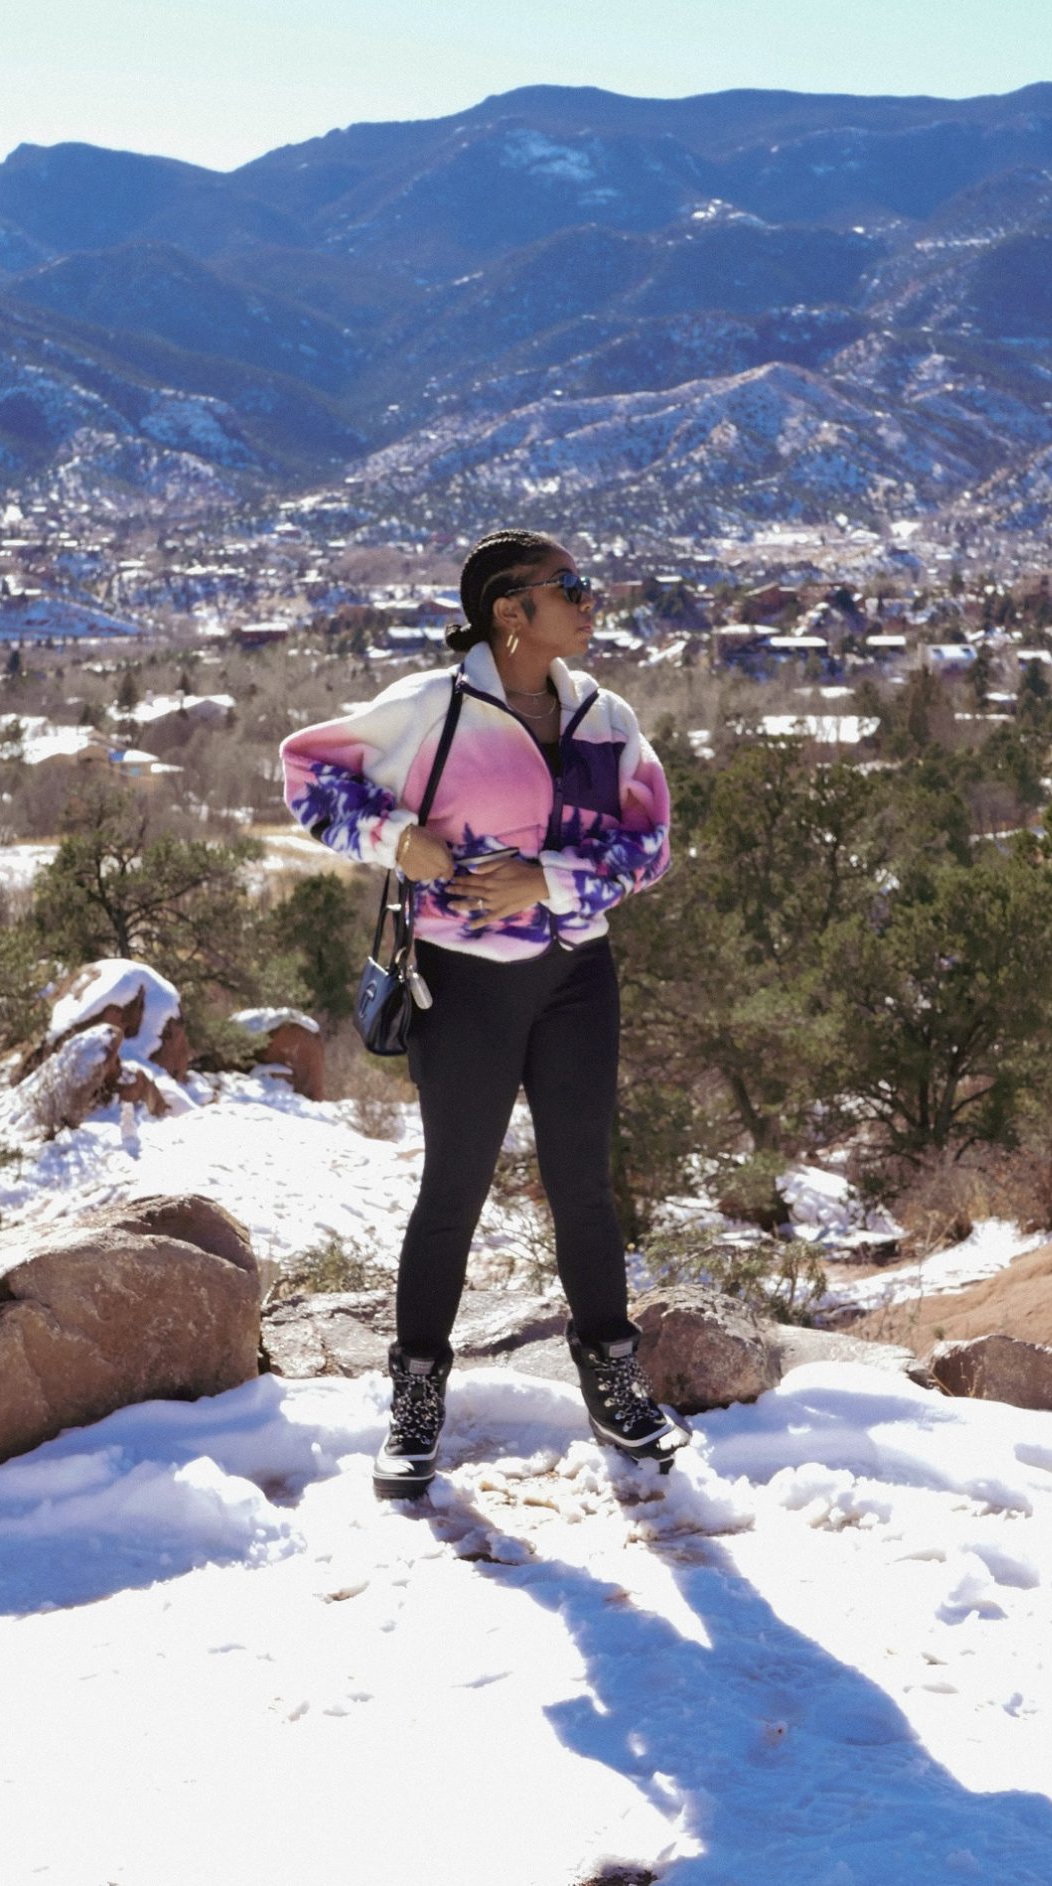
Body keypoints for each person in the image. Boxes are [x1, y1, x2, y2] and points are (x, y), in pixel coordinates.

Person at [279, 528, 688, 1499]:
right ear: (512, 609)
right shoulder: (437, 707)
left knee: (583, 1184)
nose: (593, 603)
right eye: (573, 587)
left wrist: (546, 880)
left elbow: (653, 844)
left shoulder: (605, 715)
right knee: (454, 1189)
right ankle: (416, 1396)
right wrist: (394, 839)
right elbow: (305, 772)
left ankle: (613, 1381)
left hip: (579, 976)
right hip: (465, 985)